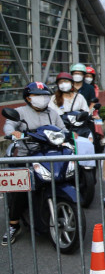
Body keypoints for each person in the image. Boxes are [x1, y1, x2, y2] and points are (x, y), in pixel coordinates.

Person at [2, 82, 66, 245]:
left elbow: (63, 130)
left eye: (45, 96)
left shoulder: (53, 113)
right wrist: (13, 133)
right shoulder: (20, 112)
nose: (42, 99)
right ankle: (13, 224)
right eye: (38, 96)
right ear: (29, 98)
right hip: (26, 155)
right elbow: (9, 126)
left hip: (49, 153)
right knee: (20, 187)